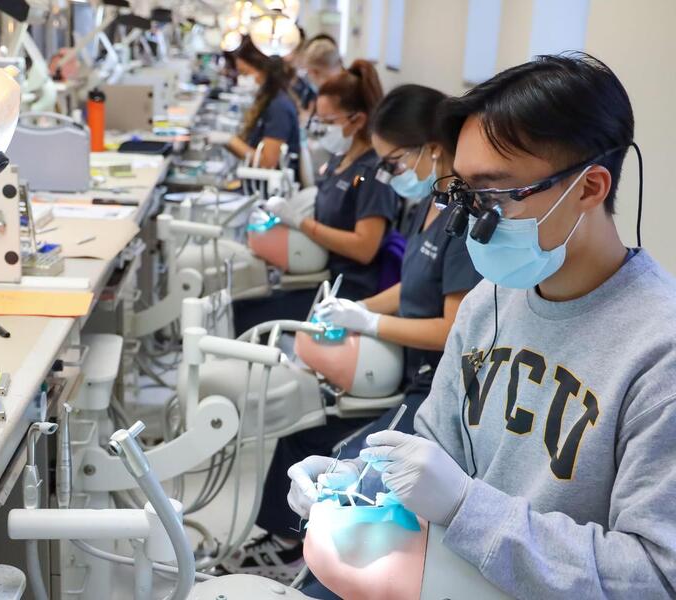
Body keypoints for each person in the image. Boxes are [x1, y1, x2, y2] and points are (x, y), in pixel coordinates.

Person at [287, 53, 676, 599]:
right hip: (451, 572)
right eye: (465, 195)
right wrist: (360, 482)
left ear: (589, 188)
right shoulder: (490, 300)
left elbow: (655, 577)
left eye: (494, 196)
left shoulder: (659, 352)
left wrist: (469, 508)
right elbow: (435, 446)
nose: (473, 222)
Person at [222, 84, 482, 586]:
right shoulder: (427, 204)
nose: (388, 173)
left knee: (346, 474)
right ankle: (282, 544)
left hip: (430, 387)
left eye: (394, 160)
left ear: (432, 148)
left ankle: (318, 574)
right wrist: (357, 308)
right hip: (403, 361)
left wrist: (373, 324)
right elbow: (412, 284)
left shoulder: (462, 221)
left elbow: (455, 327)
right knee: (299, 439)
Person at [233, 59, 397, 335]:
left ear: (357, 120)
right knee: (241, 296)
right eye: (318, 120)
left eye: (328, 121)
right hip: (317, 272)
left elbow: (364, 248)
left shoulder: (373, 174)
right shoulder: (338, 160)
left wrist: (300, 223)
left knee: (246, 317)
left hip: (345, 290)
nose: (320, 127)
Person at [209, 36, 301, 173]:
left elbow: (267, 162)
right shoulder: (267, 100)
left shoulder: (278, 107)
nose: (241, 79)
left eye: (245, 73)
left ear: (263, 69)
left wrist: (230, 141)